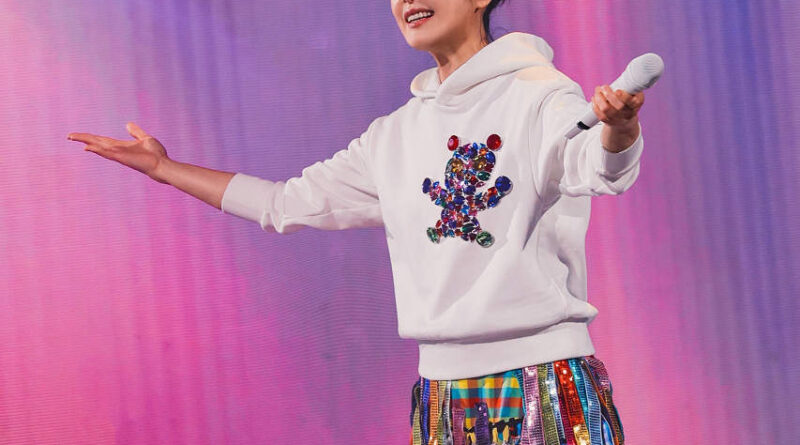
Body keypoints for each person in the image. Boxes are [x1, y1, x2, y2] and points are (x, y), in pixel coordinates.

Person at [68, 0, 645, 443]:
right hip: (443, 398)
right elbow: (284, 204)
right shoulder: (393, 135)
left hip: (543, 379)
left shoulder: (541, 95)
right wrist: (164, 169)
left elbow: (596, 166)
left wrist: (619, 129)